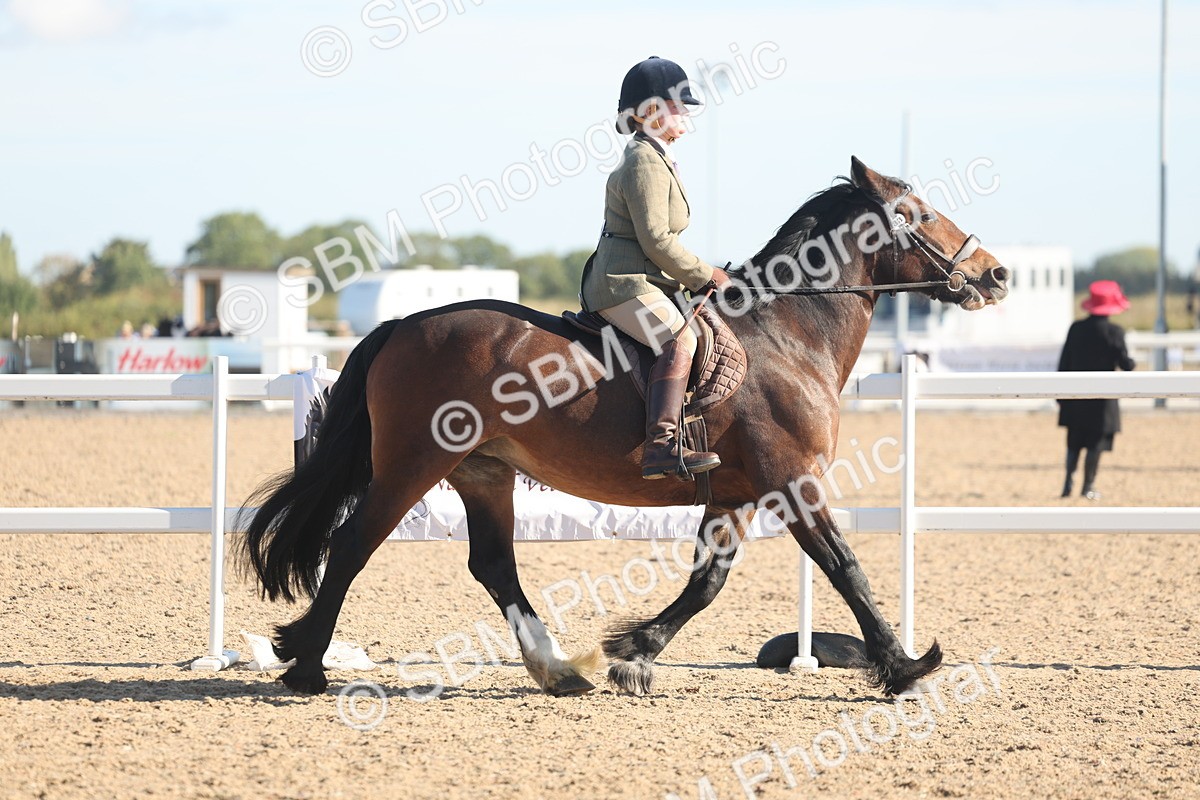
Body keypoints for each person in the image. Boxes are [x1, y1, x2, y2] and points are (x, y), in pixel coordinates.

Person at [580, 56, 732, 480]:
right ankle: (662, 446)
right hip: (622, 285)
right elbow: (657, 240)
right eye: (678, 104)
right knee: (679, 338)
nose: (685, 112)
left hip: (645, 281)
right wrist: (707, 275)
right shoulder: (645, 161)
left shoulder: (658, 157)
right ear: (653, 110)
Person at [1057, 280, 1136, 500]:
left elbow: (1064, 362)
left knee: (1074, 443)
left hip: (1074, 396)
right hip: (1102, 399)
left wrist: (1060, 395)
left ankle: (1067, 484)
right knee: (1095, 443)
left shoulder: (1076, 328)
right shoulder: (1114, 332)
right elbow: (1125, 364)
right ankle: (1088, 486)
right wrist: (1132, 361)